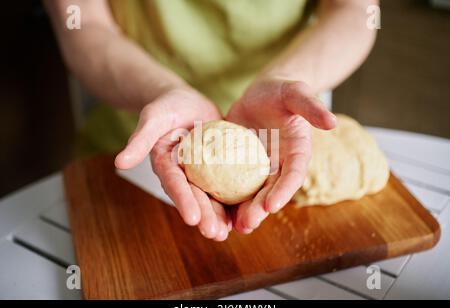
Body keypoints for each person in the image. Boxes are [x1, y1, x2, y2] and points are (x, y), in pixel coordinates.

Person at [45, 0, 378, 241]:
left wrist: (288, 78)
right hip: (136, 132)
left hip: (273, 130)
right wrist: (161, 90)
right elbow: (82, 21)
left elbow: (354, 10)